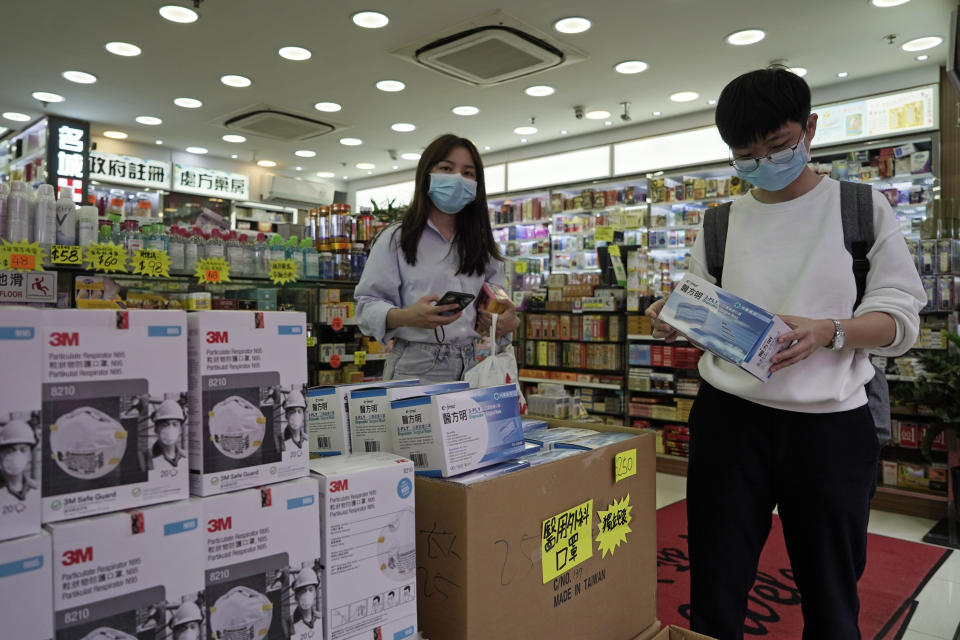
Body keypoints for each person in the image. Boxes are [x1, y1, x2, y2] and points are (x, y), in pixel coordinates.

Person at [646, 66, 924, 639]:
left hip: (829, 425)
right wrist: (678, 320)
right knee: (716, 583)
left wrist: (831, 330)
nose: (762, 162)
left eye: (777, 146)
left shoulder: (858, 207)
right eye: (744, 154)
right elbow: (709, 312)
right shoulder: (721, 223)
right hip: (729, 421)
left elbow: (899, 319)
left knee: (829, 587)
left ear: (811, 129)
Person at [355, 134, 519, 383]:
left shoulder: (482, 243)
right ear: (426, 176)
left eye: (468, 172)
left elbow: (497, 300)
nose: (457, 179)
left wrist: (506, 320)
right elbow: (366, 306)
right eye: (446, 168)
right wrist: (407, 316)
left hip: (472, 364)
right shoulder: (396, 238)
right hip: (415, 364)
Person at [0, 419, 38, 502]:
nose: (17, 456)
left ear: (29, 454)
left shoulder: (36, 490)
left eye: (23, 450)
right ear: (1, 454)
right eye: (10, 450)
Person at [151, 400, 186, 468]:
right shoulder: (146, 460)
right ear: (156, 429)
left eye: (175, 424)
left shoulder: (186, 457)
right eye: (165, 425)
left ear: (180, 430)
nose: (170, 429)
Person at [292, 567, 320, 635]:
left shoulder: (321, 618)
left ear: (315, 594)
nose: (307, 595)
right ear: (296, 597)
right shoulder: (291, 625)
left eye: (310, 590)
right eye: (303, 591)